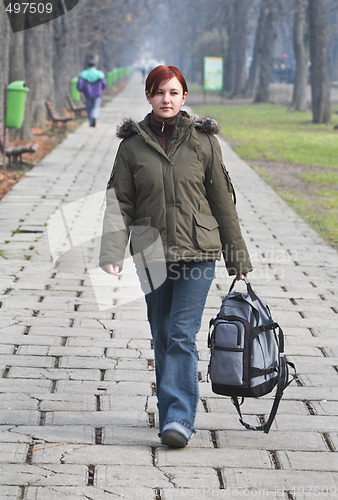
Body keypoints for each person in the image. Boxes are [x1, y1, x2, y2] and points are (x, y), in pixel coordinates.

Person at [99, 65, 253, 448]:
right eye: (158, 92)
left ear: (184, 96)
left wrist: (238, 260)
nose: (166, 99)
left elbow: (221, 200)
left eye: (173, 92)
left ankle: (179, 419)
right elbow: (119, 201)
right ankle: (170, 411)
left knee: (182, 335)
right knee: (162, 333)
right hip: (150, 252)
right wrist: (112, 251)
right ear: (148, 97)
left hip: (198, 251)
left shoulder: (204, 141)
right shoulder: (131, 146)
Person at [77, 60, 107, 127]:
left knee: (89, 107)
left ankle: (90, 121)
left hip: (87, 93)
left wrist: (81, 89)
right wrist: (102, 88)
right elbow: (104, 84)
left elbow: (80, 84)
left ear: (88, 66)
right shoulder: (99, 74)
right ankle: (94, 116)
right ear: (95, 66)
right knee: (96, 107)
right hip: (97, 94)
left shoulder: (84, 74)